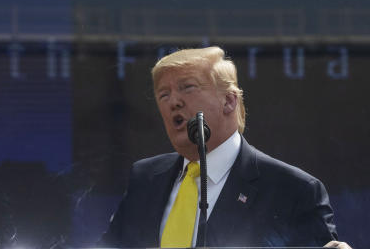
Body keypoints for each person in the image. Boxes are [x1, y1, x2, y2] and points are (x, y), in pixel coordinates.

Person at [100, 46, 351, 249]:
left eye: (187, 87)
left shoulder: (292, 190)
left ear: (229, 101)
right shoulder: (145, 179)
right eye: (163, 95)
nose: (173, 101)